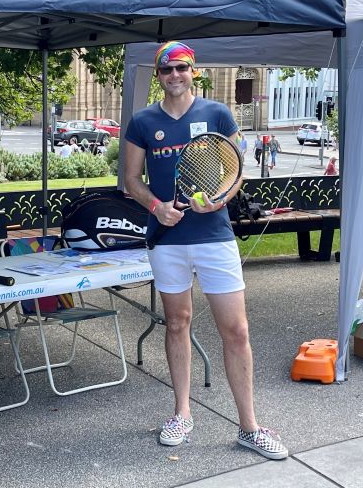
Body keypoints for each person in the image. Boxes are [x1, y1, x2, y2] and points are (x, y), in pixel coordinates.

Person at [123, 41, 288, 460]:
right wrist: (157, 207)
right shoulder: (142, 121)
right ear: (158, 75)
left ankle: (249, 427)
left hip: (215, 237)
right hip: (168, 242)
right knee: (177, 323)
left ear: (193, 71)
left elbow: (235, 172)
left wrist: (219, 199)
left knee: (237, 331)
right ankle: (181, 414)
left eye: (181, 68)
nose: (174, 75)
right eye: (166, 70)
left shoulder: (216, 114)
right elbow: (131, 180)